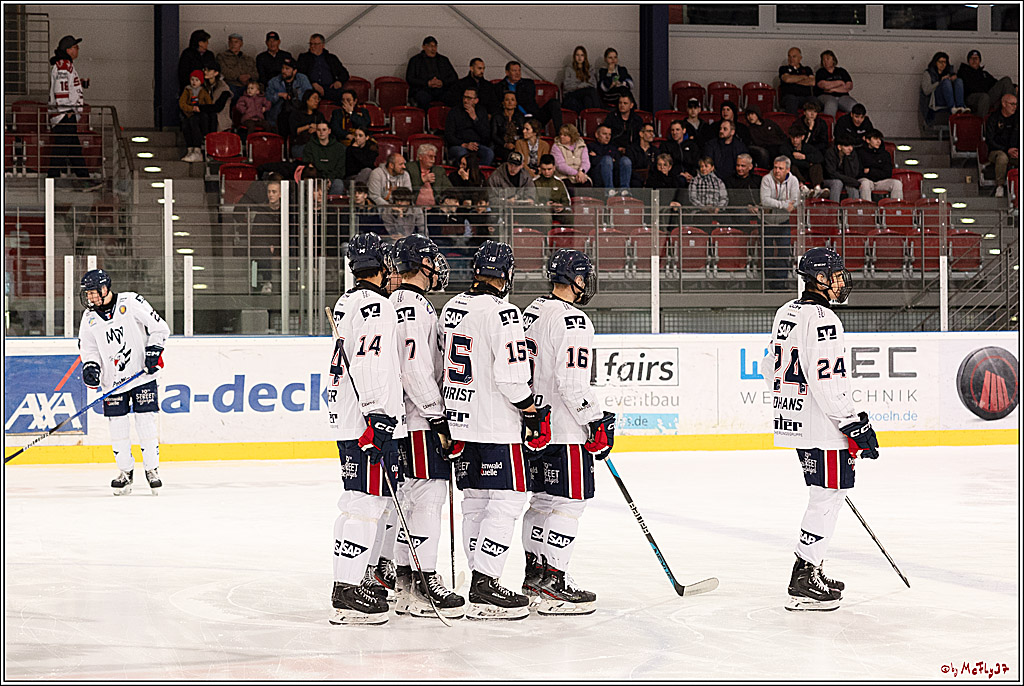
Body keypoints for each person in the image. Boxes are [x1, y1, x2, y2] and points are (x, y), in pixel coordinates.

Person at [762, 246, 880, 611]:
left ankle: (813, 566)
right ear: (820, 279)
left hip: (796, 421)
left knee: (823, 494)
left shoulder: (787, 311)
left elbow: (769, 367)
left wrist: (791, 405)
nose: (842, 282)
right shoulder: (824, 320)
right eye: (837, 275)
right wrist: (853, 423)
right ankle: (804, 574)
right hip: (824, 425)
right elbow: (828, 382)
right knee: (827, 497)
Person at [440, 240, 552, 619]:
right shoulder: (504, 314)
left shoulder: (452, 307)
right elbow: (512, 377)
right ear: (506, 276)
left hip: (458, 422)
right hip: (495, 427)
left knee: (474, 504)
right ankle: (486, 584)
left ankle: (479, 580)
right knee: (506, 503)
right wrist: (531, 409)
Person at [521, 249, 614, 615]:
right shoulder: (574, 321)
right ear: (575, 279)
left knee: (541, 502)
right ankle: (554, 583)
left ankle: (535, 578)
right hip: (564, 427)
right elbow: (572, 383)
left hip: (533, 426)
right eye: (584, 277)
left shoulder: (531, 311)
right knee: (569, 504)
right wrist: (594, 420)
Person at [327, 233, 407, 625]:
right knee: (366, 503)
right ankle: (346, 590)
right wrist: (378, 415)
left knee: (357, 501)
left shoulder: (348, 301)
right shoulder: (378, 305)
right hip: (368, 417)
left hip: (347, 414)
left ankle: (350, 582)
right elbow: (370, 363)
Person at [386, 235, 464, 618]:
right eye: (432, 260)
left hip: (404, 419)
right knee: (428, 500)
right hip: (418, 419)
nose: (438, 267)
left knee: (410, 500)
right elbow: (415, 369)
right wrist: (437, 415)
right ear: (420, 264)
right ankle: (423, 581)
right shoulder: (414, 307)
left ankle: (402, 578)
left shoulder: (395, 301)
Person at [77, 269, 170, 495]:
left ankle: (152, 470)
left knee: (145, 425)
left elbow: (160, 328)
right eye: (87, 294)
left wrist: (153, 351)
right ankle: (125, 473)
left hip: (141, 377)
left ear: (105, 289)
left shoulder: (130, 301)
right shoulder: (89, 318)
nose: (90, 298)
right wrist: (91, 366)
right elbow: (88, 349)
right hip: (114, 383)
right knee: (117, 429)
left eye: (93, 293)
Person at [47, 35, 92, 182]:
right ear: (68, 49)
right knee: (62, 150)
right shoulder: (63, 66)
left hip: (66, 114)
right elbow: (61, 88)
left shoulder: (66, 65)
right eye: (75, 47)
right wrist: (66, 111)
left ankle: (84, 180)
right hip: (65, 115)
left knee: (74, 150)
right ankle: (52, 181)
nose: (78, 49)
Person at [760, 156, 802, 290]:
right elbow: (765, 200)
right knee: (767, 253)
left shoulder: (793, 180)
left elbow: (795, 201)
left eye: (780, 168)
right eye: (775, 167)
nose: (777, 171)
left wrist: (778, 205)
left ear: (787, 170)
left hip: (783, 222)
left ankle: (780, 283)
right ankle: (768, 283)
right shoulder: (766, 179)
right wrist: (783, 205)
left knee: (784, 252)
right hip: (767, 222)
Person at [498, 61, 563, 137]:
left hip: (534, 116)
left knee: (554, 103)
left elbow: (526, 100)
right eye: (514, 71)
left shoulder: (528, 83)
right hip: (515, 118)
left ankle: (560, 134)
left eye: (519, 70)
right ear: (507, 72)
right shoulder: (500, 86)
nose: (518, 73)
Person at [958, 49, 1017, 118]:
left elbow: (996, 83)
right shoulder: (964, 72)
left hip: (987, 97)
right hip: (972, 98)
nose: (974, 60)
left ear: (979, 61)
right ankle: (981, 123)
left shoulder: (984, 74)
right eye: (972, 58)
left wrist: (1015, 86)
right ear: (968, 61)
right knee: (984, 97)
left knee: (1006, 80)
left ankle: (1011, 114)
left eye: (976, 58)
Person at [444, 87, 494, 166]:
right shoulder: (454, 112)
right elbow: (449, 135)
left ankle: (477, 175)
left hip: (477, 145)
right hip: (459, 145)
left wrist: (475, 119)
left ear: (476, 100)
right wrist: (464, 144)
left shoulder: (481, 111)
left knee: (489, 153)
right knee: (462, 153)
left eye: (469, 98)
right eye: (464, 97)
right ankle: (465, 175)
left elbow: (486, 135)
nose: (465, 100)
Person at [406, 36, 459, 110]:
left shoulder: (443, 60)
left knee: (454, 97)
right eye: (430, 46)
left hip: (441, 89)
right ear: (424, 47)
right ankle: (428, 120)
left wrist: (442, 82)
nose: (433, 49)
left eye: (435, 46)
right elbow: (410, 79)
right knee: (422, 98)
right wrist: (427, 83)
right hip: (423, 89)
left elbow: (454, 77)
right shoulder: (415, 60)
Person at [297, 33, 349, 103]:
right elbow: (301, 74)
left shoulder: (331, 58)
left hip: (329, 88)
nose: (312, 46)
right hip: (311, 88)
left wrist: (339, 81)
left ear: (322, 45)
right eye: (310, 44)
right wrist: (313, 83)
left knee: (347, 97)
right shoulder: (304, 58)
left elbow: (344, 73)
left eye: (315, 44)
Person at [266, 57, 312, 135]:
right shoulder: (274, 81)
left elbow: (309, 95)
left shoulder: (302, 79)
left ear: (294, 71)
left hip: (298, 111)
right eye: (283, 68)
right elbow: (267, 99)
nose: (284, 71)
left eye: (287, 69)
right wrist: (279, 95)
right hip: (279, 113)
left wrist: (295, 96)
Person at [984, 94, 1019, 197]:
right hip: (996, 151)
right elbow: (990, 140)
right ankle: (1000, 186)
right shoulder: (993, 118)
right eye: (1012, 104)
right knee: (1002, 157)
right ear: (1004, 104)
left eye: (1016, 104)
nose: (1014, 107)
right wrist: (1006, 149)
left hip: (1013, 150)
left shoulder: (1017, 118)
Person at [921, 52, 968, 123]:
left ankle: (960, 106)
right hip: (936, 98)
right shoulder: (928, 73)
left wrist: (953, 79)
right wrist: (939, 82)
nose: (943, 64)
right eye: (940, 62)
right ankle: (952, 107)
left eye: (944, 62)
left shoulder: (949, 72)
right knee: (946, 82)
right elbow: (926, 91)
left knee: (958, 81)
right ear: (935, 62)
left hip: (950, 96)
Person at [857, 130, 903, 201]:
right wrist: (878, 171)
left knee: (897, 183)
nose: (879, 141)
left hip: (881, 182)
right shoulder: (859, 152)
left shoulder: (885, 154)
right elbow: (859, 172)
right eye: (876, 139)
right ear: (867, 140)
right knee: (865, 183)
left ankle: (895, 209)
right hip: (866, 181)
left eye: (879, 139)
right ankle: (867, 210)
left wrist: (870, 171)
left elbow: (888, 173)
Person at [304, 122, 347, 194]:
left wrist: (329, 179)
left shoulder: (339, 148)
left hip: (333, 178)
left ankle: (330, 205)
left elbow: (340, 169)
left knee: (338, 184)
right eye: (318, 130)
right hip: (316, 178)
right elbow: (309, 165)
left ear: (329, 131)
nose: (321, 132)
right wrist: (322, 180)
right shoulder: (309, 146)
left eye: (324, 130)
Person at [782, 123, 826, 192]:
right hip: (795, 174)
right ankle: (801, 186)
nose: (795, 140)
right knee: (791, 166)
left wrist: (805, 157)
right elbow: (790, 160)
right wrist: (808, 164)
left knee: (817, 165)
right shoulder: (785, 147)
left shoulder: (807, 147)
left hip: (807, 174)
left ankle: (817, 188)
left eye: (797, 137)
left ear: (802, 137)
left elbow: (820, 157)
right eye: (793, 137)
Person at [179, 69, 212, 163]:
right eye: (192, 79)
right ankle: (190, 149)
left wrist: (201, 109)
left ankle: (197, 150)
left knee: (194, 124)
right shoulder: (187, 90)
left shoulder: (203, 92)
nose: (194, 82)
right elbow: (182, 104)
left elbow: (209, 104)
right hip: (189, 114)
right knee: (186, 125)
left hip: (200, 116)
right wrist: (192, 108)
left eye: (197, 80)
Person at [589, 124, 631, 196]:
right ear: (597, 134)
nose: (607, 137)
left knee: (625, 160)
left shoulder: (613, 147)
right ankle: (609, 190)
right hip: (598, 176)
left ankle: (625, 190)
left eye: (609, 134)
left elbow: (618, 161)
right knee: (607, 159)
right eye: (604, 134)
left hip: (614, 175)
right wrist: (609, 160)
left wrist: (599, 157)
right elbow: (592, 161)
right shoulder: (591, 146)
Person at [815, 50, 858, 118]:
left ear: (833, 60)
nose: (825, 61)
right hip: (825, 96)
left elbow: (848, 86)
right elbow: (824, 85)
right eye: (823, 60)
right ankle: (828, 126)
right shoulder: (820, 72)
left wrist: (833, 89)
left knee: (853, 105)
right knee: (831, 103)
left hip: (842, 96)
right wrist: (840, 83)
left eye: (828, 59)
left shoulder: (842, 71)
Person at [533, 154, 572, 228]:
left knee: (570, 217)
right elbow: (533, 202)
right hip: (542, 211)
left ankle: (571, 239)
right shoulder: (535, 182)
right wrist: (544, 205)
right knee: (546, 218)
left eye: (549, 169)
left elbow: (567, 201)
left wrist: (561, 206)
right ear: (540, 168)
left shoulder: (559, 182)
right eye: (544, 169)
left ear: (554, 168)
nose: (546, 172)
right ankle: (546, 239)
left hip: (557, 212)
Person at [217, 33, 258, 100]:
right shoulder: (222, 57)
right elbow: (224, 71)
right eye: (231, 42)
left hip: (247, 85)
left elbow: (256, 74)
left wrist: (248, 76)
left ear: (241, 44)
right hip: (231, 84)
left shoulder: (248, 59)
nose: (233, 44)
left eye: (236, 42)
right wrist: (238, 77)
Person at [745, 105, 786, 170]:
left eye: (752, 114)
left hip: (779, 145)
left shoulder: (769, 122)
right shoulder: (750, 129)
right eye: (748, 115)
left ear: (757, 114)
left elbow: (780, 134)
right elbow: (759, 142)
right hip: (768, 148)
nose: (750, 117)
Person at [561, 46, 601, 112]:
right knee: (590, 91)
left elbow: (594, 84)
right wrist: (583, 85)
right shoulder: (569, 68)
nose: (580, 58)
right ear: (574, 56)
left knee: (588, 100)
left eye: (582, 55)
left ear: (585, 56)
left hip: (585, 93)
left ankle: (590, 119)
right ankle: (598, 112)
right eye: (577, 55)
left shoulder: (589, 68)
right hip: (573, 93)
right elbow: (567, 86)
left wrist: (581, 85)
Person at [659, 119, 699, 186]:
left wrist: (690, 174)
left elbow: (696, 162)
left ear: (684, 130)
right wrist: (679, 173)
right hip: (674, 176)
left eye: (677, 130)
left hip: (691, 176)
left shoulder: (692, 145)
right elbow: (666, 164)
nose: (674, 132)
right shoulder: (665, 145)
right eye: (672, 130)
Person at [551, 124, 592, 188]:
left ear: (572, 136)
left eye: (565, 135)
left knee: (587, 186)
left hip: (580, 175)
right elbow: (560, 166)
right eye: (560, 134)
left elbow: (586, 162)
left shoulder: (582, 145)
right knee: (570, 188)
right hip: (563, 176)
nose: (561, 137)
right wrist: (577, 174)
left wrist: (581, 172)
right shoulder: (556, 146)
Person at [490, 91, 526, 163]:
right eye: (507, 100)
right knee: (509, 155)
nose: (510, 102)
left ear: (516, 104)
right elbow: (494, 135)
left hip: (516, 145)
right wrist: (505, 144)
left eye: (512, 100)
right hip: (501, 146)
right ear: (503, 103)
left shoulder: (520, 117)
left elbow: (523, 133)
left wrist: (516, 144)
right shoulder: (496, 117)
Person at [287, 89, 324, 159]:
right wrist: (309, 126)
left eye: (318, 99)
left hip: (317, 144)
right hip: (300, 145)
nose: (317, 101)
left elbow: (326, 129)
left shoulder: (319, 115)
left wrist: (317, 128)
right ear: (307, 100)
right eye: (314, 98)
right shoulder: (296, 114)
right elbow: (295, 131)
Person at [779, 47, 817, 114]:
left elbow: (812, 82)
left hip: (805, 97)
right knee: (792, 99)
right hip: (789, 97)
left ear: (800, 58)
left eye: (794, 57)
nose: (791, 59)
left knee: (813, 100)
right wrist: (804, 77)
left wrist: (794, 80)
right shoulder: (783, 69)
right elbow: (787, 79)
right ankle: (792, 122)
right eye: (789, 56)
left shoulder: (807, 69)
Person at [823, 136, 862, 201]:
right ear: (839, 147)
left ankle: (853, 209)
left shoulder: (851, 154)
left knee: (852, 186)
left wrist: (849, 159)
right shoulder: (830, 153)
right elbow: (832, 174)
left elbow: (853, 174)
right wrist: (852, 181)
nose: (850, 149)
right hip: (828, 180)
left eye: (851, 146)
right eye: (847, 146)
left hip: (845, 180)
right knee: (838, 183)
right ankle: (834, 209)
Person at [201, 62, 233, 134]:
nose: (205, 72)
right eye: (204, 70)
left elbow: (218, 107)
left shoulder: (224, 89)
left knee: (209, 117)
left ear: (216, 73)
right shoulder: (202, 85)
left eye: (208, 70)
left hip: (220, 116)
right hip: (205, 113)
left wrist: (200, 108)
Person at [626, 122, 660, 187]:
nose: (652, 134)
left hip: (651, 179)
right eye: (649, 131)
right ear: (641, 134)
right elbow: (631, 169)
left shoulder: (655, 151)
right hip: (635, 179)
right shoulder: (631, 149)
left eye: (653, 132)